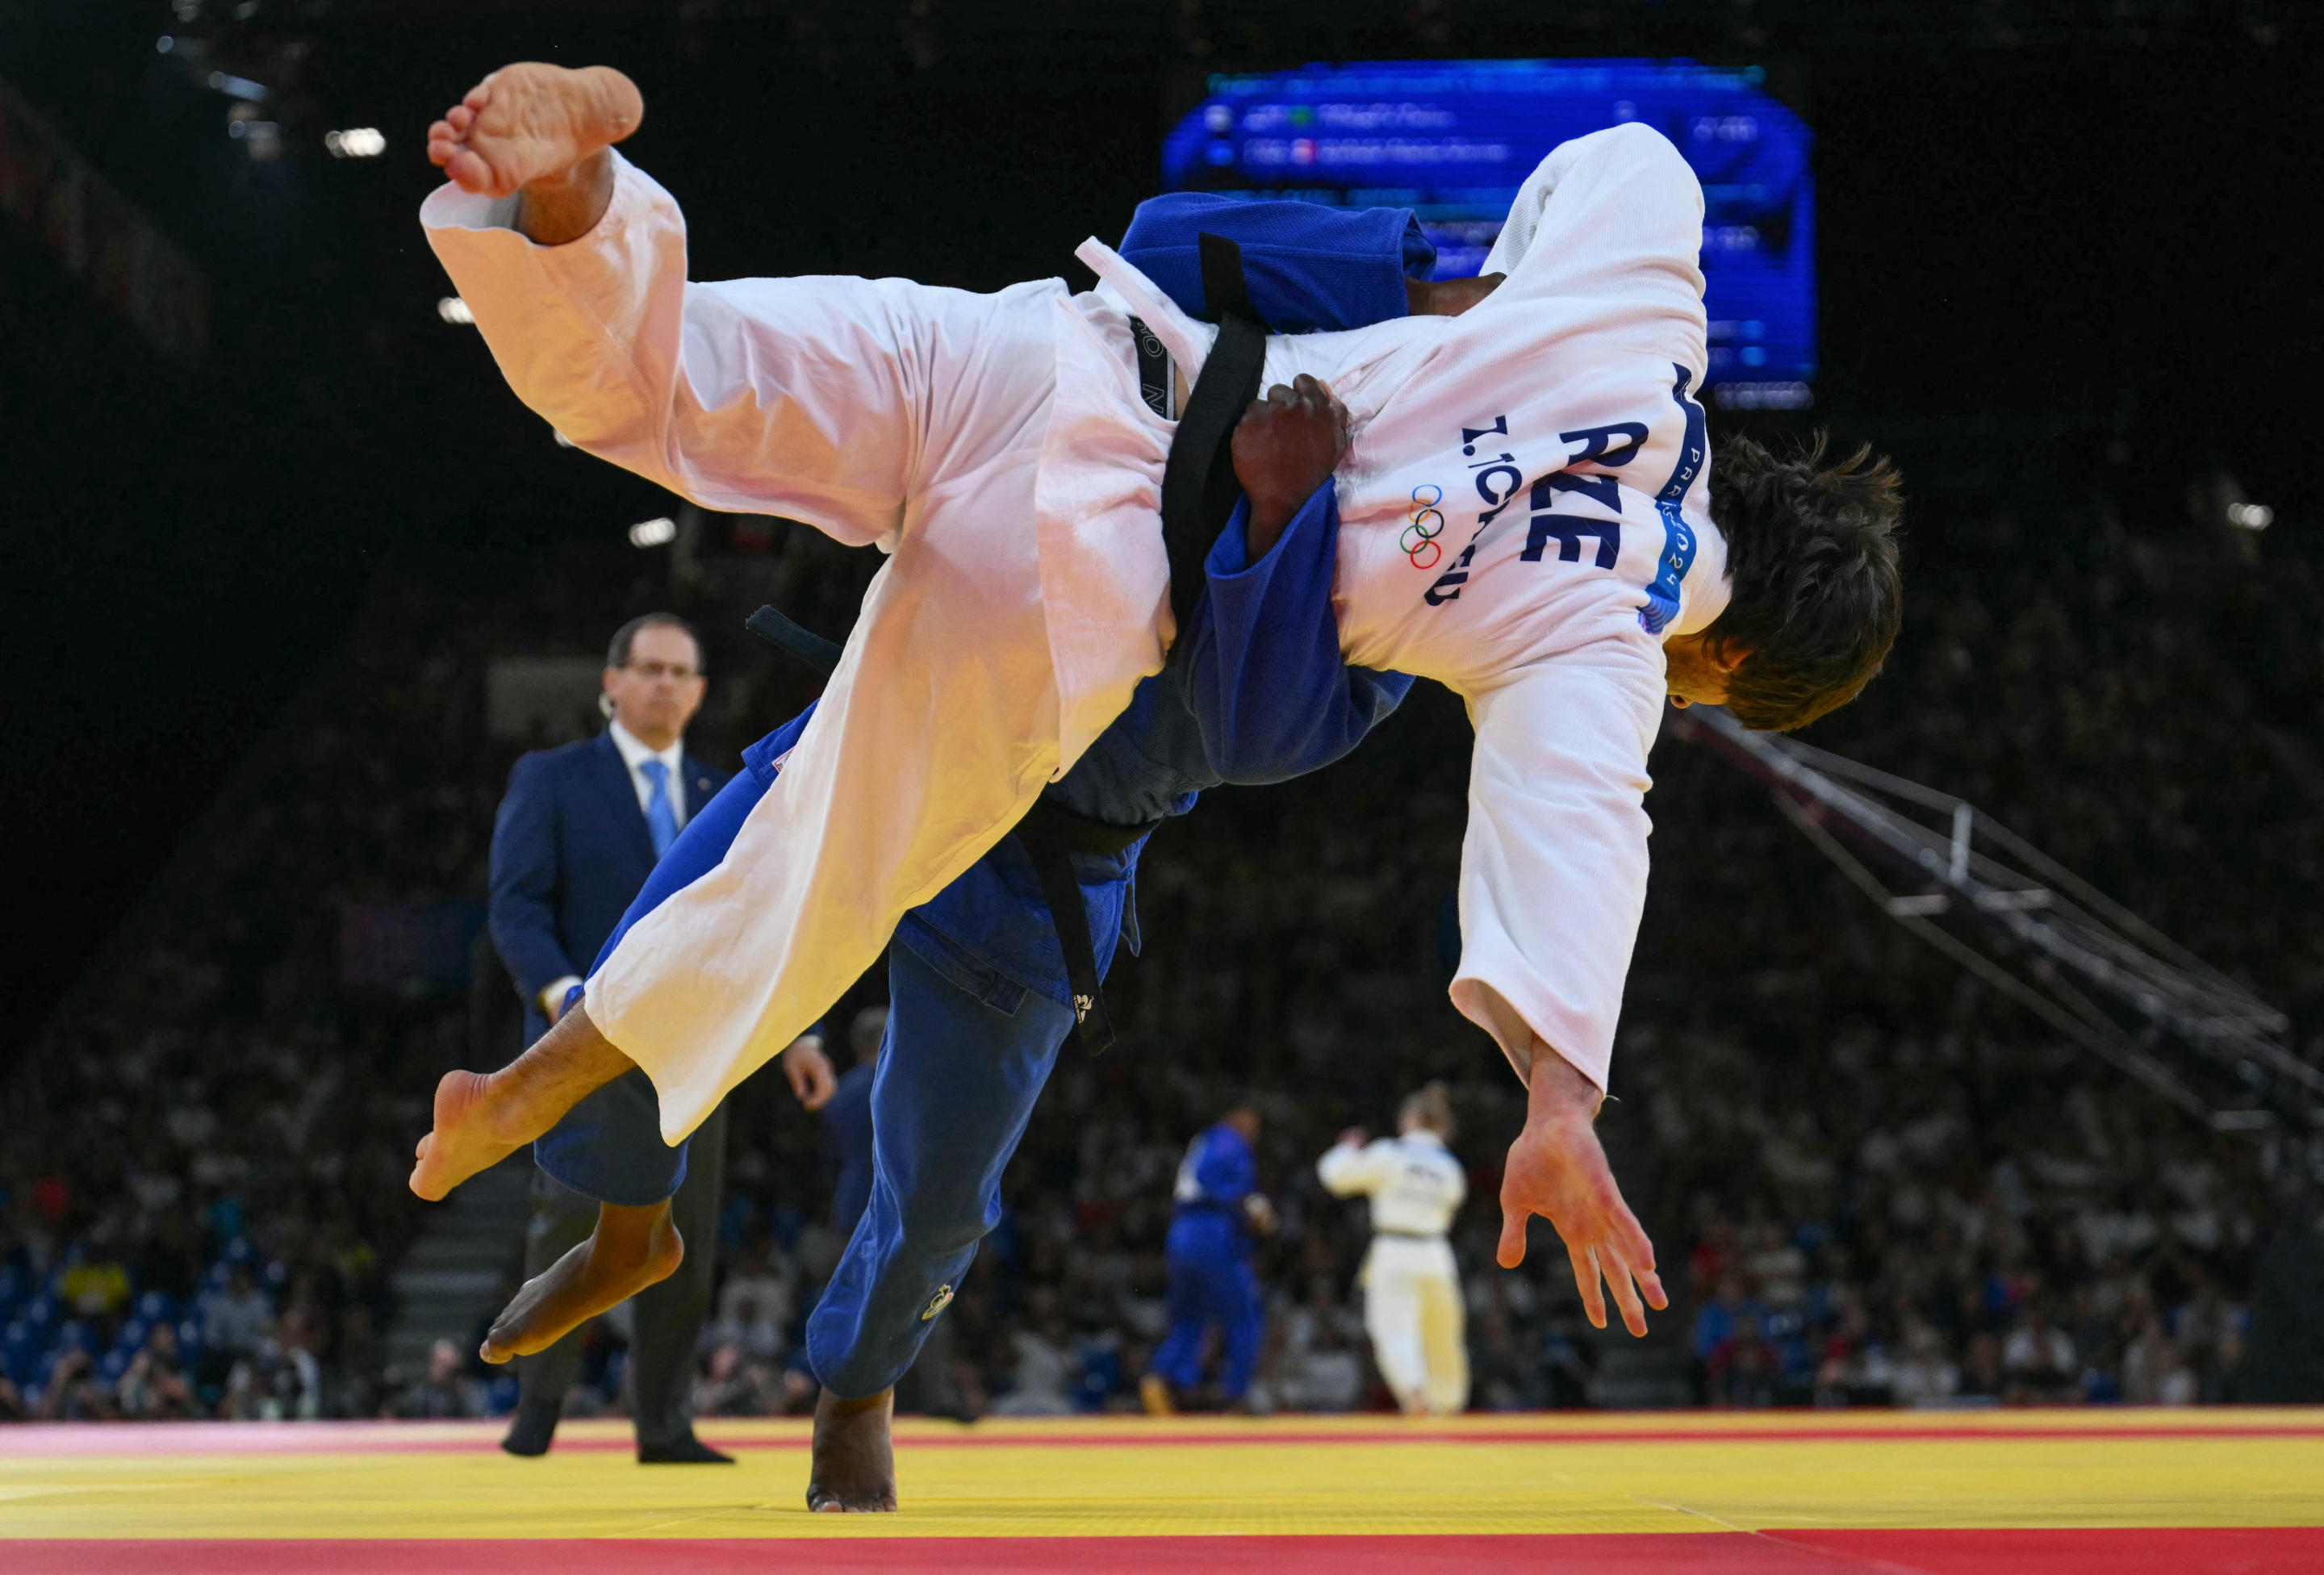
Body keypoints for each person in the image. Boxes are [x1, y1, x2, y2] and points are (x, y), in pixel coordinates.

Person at [411, 58, 1903, 1494]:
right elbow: (1580, 829)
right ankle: (535, 1095)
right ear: (1734, 673)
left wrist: (1473, 301)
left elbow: (1634, 163)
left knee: (682, 390)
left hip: (1057, 354)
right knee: (813, 871)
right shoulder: (1603, 636)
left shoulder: (1643, 320)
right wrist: (1563, 1101)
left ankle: (583, 201)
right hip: (1075, 581)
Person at [487, 612, 838, 1461]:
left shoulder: (730, 785)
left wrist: (802, 1034)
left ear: (703, 690)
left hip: (692, 1045)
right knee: (570, 1216)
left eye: (682, 672)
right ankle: (537, 1415)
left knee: (686, 1224)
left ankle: (665, 1421)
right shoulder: (552, 777)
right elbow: (518, 905)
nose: (665, 684)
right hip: (583, 1033)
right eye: (648, 668)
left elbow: (769, 921)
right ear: (611, 681)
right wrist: (568, 996)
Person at [1316, 1081, 1470, 1416]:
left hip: (1395, 1249)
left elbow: (1335, 1177)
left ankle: (1414, 1391)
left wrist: (1347, 1149)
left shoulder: (1391, 1153)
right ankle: (1448, 1402)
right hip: (1436, 1253)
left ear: (1410, 1119)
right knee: (1442, 1333)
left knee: (1393, 1327)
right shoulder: (1451, 1167)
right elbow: (1455, 1200)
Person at [1143, 1105, 1276, 1413]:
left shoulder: (1205, 1140)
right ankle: (1237, 1394)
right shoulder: (1229, 1139)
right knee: (1245, 1315)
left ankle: (1165, 1379)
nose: (1254, 1132)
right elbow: (1215, 1181)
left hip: (1183, 1230)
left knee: (1190, 1315)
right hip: (1212, 1230)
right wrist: (1255, 1209)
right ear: (1234, 1116)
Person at [821, 1006, 888, 1240]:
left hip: (847, 1197)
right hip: (889, 1202)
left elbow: (831, 1153)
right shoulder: (891, 1088)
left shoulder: (839, 1091)